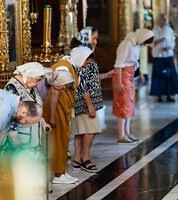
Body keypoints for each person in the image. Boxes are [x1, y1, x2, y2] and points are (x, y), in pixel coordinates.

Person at [0, 88, 42, 199]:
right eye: (26, 121)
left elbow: (1, 135)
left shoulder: (14, 106)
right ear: (24, 111)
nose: (24, 125)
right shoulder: (3, 108)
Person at [70, 26, 113, 172]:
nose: (96, 40)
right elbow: (83, 84)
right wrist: (90, 105)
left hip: (86, 101)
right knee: (91, 129)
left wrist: (106, 75)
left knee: (81, 130)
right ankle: (85, 158)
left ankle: (77, 159)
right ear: (86, 38)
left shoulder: (86, 54)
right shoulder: (83, 55)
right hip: (85, 101)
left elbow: (92, 79)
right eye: (93, 37)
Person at [42, 49, 79, 184]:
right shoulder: (62, 68)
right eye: (63, 86)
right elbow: (54, 94)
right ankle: (57, 174)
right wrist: (51, 118)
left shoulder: (68, 67)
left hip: (60, 110)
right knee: (57, 140)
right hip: (55, 111)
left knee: (63, 139)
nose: (64, 88)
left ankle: (61, 171)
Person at [112, 28, 154, 144]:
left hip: (129, 75)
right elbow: (119, 65)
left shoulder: (136, 44)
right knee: (122, 104)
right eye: (145, 42)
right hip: (123, 75)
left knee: (129, 104)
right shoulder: (126, 44)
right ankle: (121, 135)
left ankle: (127, 133)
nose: (144, 44)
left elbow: (135, 61)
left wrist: (140, 73)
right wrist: (119, 83)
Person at [150, 14, 178, 102]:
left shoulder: (169, 30)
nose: (164, 21)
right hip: (158, 56)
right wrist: (159, 40)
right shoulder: (154, 30)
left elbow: (173, 41)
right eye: (162, 19)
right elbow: (151, 43)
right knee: (159, 76)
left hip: (168, 55)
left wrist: (169, 47)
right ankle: (159, 95)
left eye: (165, 19)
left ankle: (169, 95)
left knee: (169, 76)